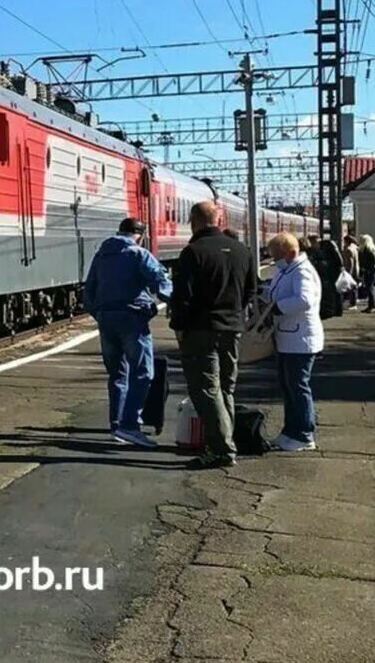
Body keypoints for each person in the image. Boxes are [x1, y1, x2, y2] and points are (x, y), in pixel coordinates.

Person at [168, 201, 255, 470]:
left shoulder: (192, 253)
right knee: (226, 387)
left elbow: (183, 297)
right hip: (233, 328)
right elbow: (252, 291)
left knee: (206, 389)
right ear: (219, 219)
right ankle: (224, 442)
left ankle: (221, 449)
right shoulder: (243, 251)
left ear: (194, 221)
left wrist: (179, 328)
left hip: (200, 330)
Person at [83, 217, 172, 448]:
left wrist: (101, 315)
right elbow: (161, 283)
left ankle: (117, 424)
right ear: (140, 235)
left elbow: (89, 290)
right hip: (132, 319)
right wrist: (175, 301)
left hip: (106, 319)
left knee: (117, 374)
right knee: (143, 373)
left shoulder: (102, 254)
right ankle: (130, 425)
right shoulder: (139, 254)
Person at [263, 232, 324, 451]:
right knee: (288, 387)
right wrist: (265, 294)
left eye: (277, 255)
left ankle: (304, 433)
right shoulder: (286, 269)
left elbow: (304, 300)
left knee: (298, 387)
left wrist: (277, 307)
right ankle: (290, 430)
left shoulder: (303, 271)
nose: (275, 259)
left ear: (291, 252)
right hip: (288, 337)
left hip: (300, 339)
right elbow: (276, 291)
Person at [314, 235, 346, 320]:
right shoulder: (333, 248)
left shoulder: (325, 248)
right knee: (337, 292)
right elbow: (340, 261)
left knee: (333, 292)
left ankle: (333, 310)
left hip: (331, 274)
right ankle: (338, 310)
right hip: (335, 273)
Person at [358, 234, 375, 313]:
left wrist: (364, 269)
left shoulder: (367, 250)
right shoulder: (372, 249)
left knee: (369, 288)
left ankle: (372, 306)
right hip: (372, 271)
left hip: (369, 271)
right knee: (369, 288)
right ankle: (370, 306)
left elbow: (368, 262)